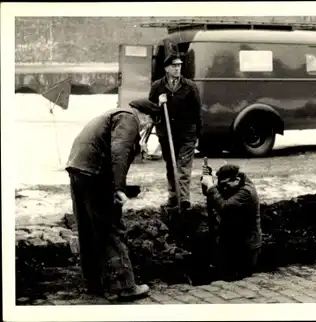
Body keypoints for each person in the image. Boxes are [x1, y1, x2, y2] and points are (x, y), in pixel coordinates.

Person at [65, 98, 159, 301]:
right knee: (112, 228)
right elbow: (119, 152)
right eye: (149, 123)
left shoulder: (114, 114)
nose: (145, 127)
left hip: (79, 170)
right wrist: (119, 188)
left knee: (88, 229)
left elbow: (111, 150)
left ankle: (94, 284)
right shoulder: (129, 118)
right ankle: (125, 286)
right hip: (94, 174)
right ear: (146, 116)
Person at [148, 54, 203, 210]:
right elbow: (150, 108)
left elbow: (197, 111)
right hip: (167, 134)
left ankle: (184, 199)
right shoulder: (157, 86)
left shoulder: (190, 86)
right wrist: (159, 103)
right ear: (166, 68)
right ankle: (173, 197)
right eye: (174, 66)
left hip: (187, 134)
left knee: (183, 167)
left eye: (179, 65)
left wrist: (199, 134)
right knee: (171, 166)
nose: (177, 68)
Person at [200, 164, 262, 281]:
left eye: (225, 185)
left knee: (243, 281)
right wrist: (206, 181)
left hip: (247, 247)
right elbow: (212, 194)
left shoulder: (246, 192)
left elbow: (224, 207)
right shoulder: (233, 185)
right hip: (233, 241)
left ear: (237, 180)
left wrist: (211, 187)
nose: (223, 188)